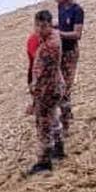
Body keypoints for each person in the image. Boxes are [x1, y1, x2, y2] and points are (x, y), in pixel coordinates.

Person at [27, 10, 65, 174]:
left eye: (43, 26)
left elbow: (39, 78)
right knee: (54, 117)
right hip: (57, 85)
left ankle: (44, 161)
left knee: (43, 126)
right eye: (37, 26)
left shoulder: (46, 49)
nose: (39, 30)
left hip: (47, 91)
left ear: (49, 25)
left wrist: (34, 101)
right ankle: (59, 147)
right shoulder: (55, 35)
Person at [55, 0, 84, 136]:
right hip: (61, 51)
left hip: (70, 52)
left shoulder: (77, 10)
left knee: (65, 87)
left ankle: (66, 122)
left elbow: (77, 34)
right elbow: (61, 25)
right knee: (60, 83)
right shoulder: (60, 7)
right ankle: (67, 113)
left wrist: (59, 34)